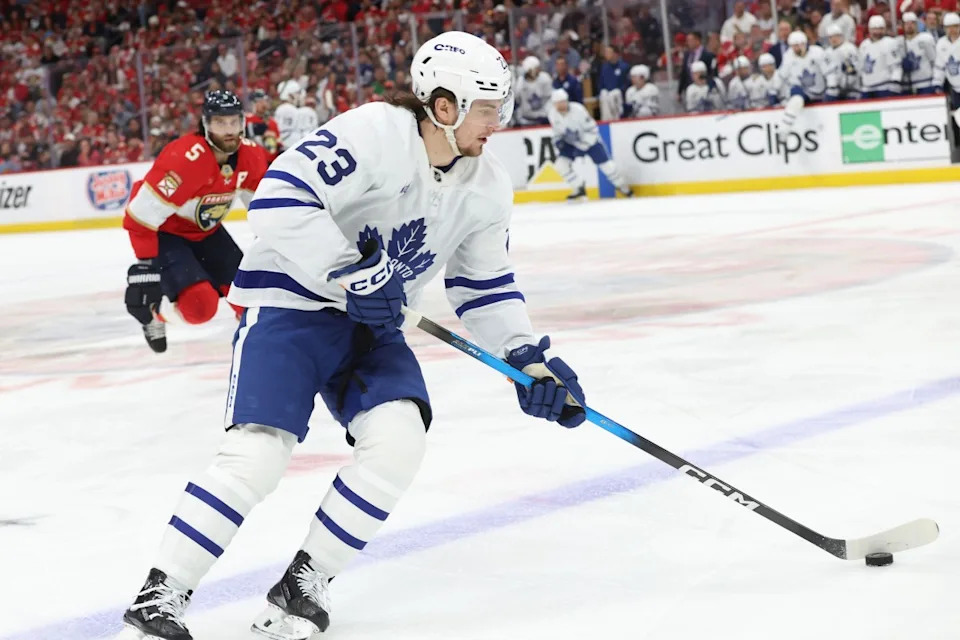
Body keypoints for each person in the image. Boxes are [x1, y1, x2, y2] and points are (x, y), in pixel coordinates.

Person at [120, 31, 588, 640]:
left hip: (373, 326)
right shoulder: (374, 133)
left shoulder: (487, 184)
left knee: (399, 440)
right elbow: (279, 200)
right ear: (442, 106)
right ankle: (160, 599)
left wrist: (529, 360)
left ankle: (303, 584)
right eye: (485, 108)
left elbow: (485, 286)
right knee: (258, 454)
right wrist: (350, 272)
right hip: (290, 305)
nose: (497, 122)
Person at [122, 90, 269, 353]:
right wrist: (146, 268)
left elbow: (266, 212)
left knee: (251, 301)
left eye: (233, 122)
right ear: (205, 125)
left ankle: (256, 353)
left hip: (208, 232)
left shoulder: (252, 156)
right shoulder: (185, 160)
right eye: (220, 123)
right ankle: (155, 314)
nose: (228, 130)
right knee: (200, 307)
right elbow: (139, 219)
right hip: (168, 234)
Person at [547, 88, 633, 201]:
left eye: (563, 101)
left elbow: (592, 129)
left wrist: (584, 145)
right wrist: (558, 142)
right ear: (554, 104)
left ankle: (623, 187)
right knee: (560, 165)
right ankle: (579, 187)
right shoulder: (552, 114)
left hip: (591, 142)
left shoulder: (578, 109)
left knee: (608, 167)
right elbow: (557, 132)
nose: (561, 105)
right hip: (571, 143)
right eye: (558, 103)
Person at [776, 31, 829, 130]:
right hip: (801, 90)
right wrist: (773, 91)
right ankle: (785, 127)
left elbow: (828, 72)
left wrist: (832, 89)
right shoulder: (788, 56)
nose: (795, 49)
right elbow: (781, 75)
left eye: (797, 45)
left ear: (804, 44)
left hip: (818, 92)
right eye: (793, 46)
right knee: (796, 97)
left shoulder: (817, 53)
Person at [859, 15, 903, 99]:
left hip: (884, 87)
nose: (877, 32)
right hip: (867, 88)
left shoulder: (890, 43)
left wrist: (895, 83)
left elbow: (896, 66)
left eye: (880, 29)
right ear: (869, 29)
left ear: (884, 29)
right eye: (874, 29)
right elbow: (861, 67)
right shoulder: (864, 45)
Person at [899, 12, 937, 94]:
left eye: (912, 23)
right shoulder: (899, 42)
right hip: (907, 85)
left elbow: (934, 61)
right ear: (903, 25)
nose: (909, 26)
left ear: (916, 24)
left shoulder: (926, 39)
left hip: (925, 83)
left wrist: (936, 81)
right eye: (907, 23)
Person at [824, 23, 861, 101]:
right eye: (831, 37)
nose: (834, 39)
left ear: (841, 36)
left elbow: (855, 70)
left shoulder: (850, 49)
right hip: (835, 89)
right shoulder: (827, 53)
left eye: (836, 36)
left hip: (851, 89)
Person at [515, 55, 553, 125]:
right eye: (536, 68)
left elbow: (549, 99)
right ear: (529, 70)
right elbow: (517, 101)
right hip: (526, 118)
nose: (539, 70)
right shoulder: (520, 83)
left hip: (543, 116)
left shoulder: (545, 78)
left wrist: (546, 114)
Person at [245, 89, 281, 162]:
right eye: (260, 101)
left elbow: (278, 143)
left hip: (270, 161)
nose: (263, 104)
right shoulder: (246, 120)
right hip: (253, 160)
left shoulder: (272, 122)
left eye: (265, 101)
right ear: (253, 103)